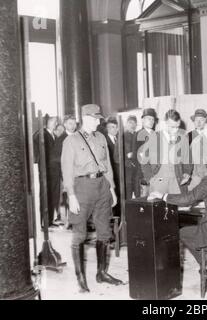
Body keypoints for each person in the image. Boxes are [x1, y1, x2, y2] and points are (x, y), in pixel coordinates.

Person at [61, 104, 123, 293]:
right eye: (95, 119)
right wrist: (71, 195)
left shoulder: (101, 137)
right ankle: (80, 278)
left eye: (99, 119)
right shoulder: (71, 141)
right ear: (86, 118)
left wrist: (112, 189)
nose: (99, 122)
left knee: (104, 232)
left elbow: (107, 165)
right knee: (80, 234)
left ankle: (101, 272)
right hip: (82, 188)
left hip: (102, 186)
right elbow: (67, 170)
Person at [142, 109, 192, 195]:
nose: (176, 130)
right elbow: (144, 161)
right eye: (172, 127)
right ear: (165, 123)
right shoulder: (153, 138)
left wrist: (187, 172)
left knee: (177, 207)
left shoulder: (183, 139)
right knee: (157, 207)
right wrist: (150, 179)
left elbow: (188, 159)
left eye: (177, 127)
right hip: (158, 182)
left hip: (176, 182)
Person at [33, 116, 61, 228]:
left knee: (52, 196)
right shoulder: (42, 134)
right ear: (47, 122)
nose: (56, 124)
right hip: (47, 171)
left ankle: (49, 220)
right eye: (54, 122)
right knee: (45, 196)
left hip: (53, 171)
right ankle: (44, 222)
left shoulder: (51, 134)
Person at [135, 108, 157, 194]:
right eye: (149, 119)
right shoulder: (138, 134)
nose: (151, 121)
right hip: (143, 175)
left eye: (152, 119)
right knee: (144, 200)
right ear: (143, 120)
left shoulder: (155, 134)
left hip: (156, 174)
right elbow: (138, 157)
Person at [123, 115, 139, 200]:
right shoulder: (122, 136)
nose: (132, 124)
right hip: (127, 170)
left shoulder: (137, 136)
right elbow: (118, 156)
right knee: (128, 194)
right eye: (130, 122)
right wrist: (127, 159)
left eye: (134, 123)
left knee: (137, 195)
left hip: (136, 169)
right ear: (126, 124)